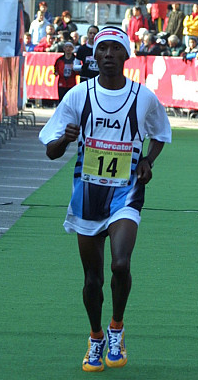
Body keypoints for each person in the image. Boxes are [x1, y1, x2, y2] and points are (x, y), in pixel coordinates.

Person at [39, 27, 171, 372]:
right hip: (87, 194)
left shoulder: (143, 97)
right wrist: (65, 140)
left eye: (115, 49)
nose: (108, 54)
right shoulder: (78, 96)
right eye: (102, 49)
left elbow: (160, 133)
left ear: (126, 55)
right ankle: (95, 336)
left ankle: (116, 327)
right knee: (92, 278)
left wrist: (147, 160)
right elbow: (51, 151)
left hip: (126, 192)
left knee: (120, 264)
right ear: (94, 56)